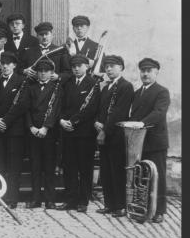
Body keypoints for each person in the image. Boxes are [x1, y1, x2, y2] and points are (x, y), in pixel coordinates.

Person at [128, 58, 170, 223]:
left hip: (155, 141)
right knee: (142, 175)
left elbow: (159, 113)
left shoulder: (162, 91)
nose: (145, 74)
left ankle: (159, 211)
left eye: (149, 71)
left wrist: (141, 123)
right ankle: (142, 206)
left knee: (157, 176)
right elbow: (133, 114)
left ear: (156, 73)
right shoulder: (137, 93)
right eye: (143, 71)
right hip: (140, 140)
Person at [57, 54, 100, 212]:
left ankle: (83, 201)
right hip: (67, 132)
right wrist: (61, 120)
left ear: (87, 67)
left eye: (79, 65)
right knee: (69, 167)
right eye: (73, 66)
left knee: (85, 168)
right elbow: (59, 104)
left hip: (84, 133)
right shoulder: (67, 83)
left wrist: (73, 121)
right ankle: (70, 200)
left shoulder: (93, 84)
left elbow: (91, 108)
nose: (76, 68)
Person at [0, 52, 30, 209]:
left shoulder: (22, 81)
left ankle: (12, 198)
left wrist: (5, 120)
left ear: (14, 65)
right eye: (2, 63)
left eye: (8, 63)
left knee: (14, 166)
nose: (4, 66)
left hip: (14, 131)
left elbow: (22, 105)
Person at [94, 55, 134, 217]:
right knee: (106, 170)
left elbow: (119, 113)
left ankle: (120, 206)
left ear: (121, 68)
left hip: (116, 135)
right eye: (106, 66)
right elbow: (101, 109)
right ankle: (109, 204)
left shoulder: (126, 86)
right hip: (104, 134)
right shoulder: (106, 87)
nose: (108, 69)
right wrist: (97, 122)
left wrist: (104, 130)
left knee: (117, 170)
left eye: (112, 66)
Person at [25, 58, 63, 210]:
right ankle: (35, 199)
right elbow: (26, 109)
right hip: (33, 132)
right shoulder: (30, 87)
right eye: (40, 71)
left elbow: (55, 109)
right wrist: (31, 127)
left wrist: (46, 127)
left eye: (46, 71)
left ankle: (50, 199)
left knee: (48, 167)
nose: (42, 74)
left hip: (49, 133)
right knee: (35, 167)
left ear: (51, 73)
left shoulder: (57, 88)